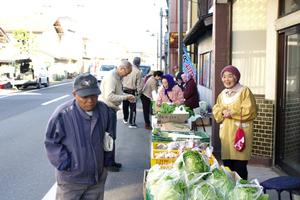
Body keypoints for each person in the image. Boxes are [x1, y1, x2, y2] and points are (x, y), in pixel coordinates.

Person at [44, 73, 113, 200]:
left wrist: (107, 162)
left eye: (94, 95)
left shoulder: (104, 110)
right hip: (71, 181)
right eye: (85, 96)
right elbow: (51, 142)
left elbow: (108, 138)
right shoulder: (63, 114)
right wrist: (65, 164)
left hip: (96, 178)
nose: (90, 100)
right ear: (74, 94)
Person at [212, 65, 257, 180]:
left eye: (230, 76)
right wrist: (222, 112)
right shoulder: (222, 94)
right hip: (226, 135)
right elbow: (216, 109)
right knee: (228, 166)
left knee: (240, 166)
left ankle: (243, 192)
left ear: (236, 77)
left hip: (240, 135)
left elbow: (250, 110)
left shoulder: (244, 91)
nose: (226, 79)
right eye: (224, 77)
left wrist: (231, 113)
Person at [98, 59, 136, 172]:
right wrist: (126, 97)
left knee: (111, 135)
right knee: (109, 136)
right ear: (122, 69)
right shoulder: (112, 77)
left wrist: (127, 95)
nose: (127, 75)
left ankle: (111, 161)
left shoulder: (117, 77)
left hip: (110, 108)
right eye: (127, 73)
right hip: (107, 108)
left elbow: (117, 93)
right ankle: (108, 163)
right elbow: (109, 96)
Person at [122, 57, 143, 128]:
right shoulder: (138, 72)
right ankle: (132, 123)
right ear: (139, 63)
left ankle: (125, 118)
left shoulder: (127, 69)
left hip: (124, 90)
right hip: (132, 91)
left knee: (125, 105)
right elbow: (139, 85)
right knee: (133, 108)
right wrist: (139, 93)